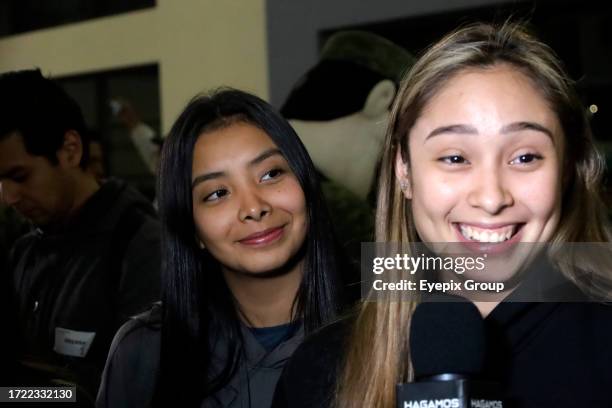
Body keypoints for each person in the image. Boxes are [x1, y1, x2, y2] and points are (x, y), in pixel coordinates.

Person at [273, 22, 612, 408]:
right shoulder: (320, 370)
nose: (490, 198)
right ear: (404, 171)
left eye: (525, 157)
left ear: (566, 170)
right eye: (454, 157)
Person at [97, 89, 345, 407]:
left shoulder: (389, 321)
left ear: (306, 183)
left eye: (271, 174)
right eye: (217, 193)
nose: (253, 208)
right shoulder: (144, 351)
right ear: (191, 226)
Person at [0, 69, 161, 402]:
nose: (9, 197)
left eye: (19, 176)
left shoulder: (144, 249)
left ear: (70, 150)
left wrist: (12, 394)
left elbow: (129, 392)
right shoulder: (23, 253)